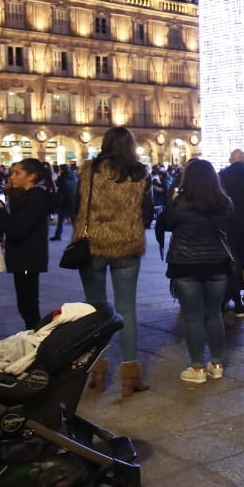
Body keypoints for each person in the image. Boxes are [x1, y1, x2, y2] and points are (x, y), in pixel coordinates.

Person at [74, 126, 154, 397]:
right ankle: (130, 376)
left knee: (95, 310)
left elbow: (77, 204)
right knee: (127, 309)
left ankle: (97, 372)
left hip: (93, 245)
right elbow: (148, 211)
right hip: (127, 245)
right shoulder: (141, 173)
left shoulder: (88, 170)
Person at [157, 158, 235, 383]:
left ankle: (198, 369)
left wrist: (172, 202)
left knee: (193, 317)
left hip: (185, 264)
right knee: (214, 314)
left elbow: (166, 224)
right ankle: (217, 364)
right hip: (217, 264)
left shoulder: (180, 203)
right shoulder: (224, 202)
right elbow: (229, 224)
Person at [0, 158, 54, 331]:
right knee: (25, 304)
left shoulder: (35, 198)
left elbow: (16, 230)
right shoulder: (24, 196)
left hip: (27, 257)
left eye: (17, 173)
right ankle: (33, 337)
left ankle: (36, 340)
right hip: (23, 257)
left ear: (32, 176)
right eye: (12, 172)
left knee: (28, 305)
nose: (12, 177)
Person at [217, 149, 244, 315]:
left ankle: (233, 301)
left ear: (231, 160)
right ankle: (233, 301)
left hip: (228, 227)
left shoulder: (222, 176)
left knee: (231, 263)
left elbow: (219, 201)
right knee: (238, 261)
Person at [51, 163, 79, 241]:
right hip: (72, 200)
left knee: (61, 219)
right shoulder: (74, 177)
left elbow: (57, 185)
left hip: (64, 200)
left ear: (62, 170)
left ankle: (58, 235)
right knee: (73, 219)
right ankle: (78, 234)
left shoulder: (62, 178)